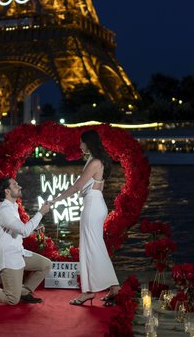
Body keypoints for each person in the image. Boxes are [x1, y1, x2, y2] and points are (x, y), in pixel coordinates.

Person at [49, 129, 120, 306]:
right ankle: (110, 288)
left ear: (88, 143)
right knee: (94, 247)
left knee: (91, 248)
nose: (80, 146)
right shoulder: (97, 160)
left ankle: (89, 291)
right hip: (95, 203)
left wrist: (56, 200)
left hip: (92, 206)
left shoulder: (94, 162)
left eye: (82, 142)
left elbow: (77, 187)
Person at [0, 177, 52, 304]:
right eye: (15, 185)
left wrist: (33, 231)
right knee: (12, 299)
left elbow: (20, 232)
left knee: (45, 265)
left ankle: (24, 292)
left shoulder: (12, 206)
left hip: (18, 252)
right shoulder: (4, 210)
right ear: (7, 191)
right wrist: (41, 212)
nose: (20, 187)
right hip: (8, 257)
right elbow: (23, 231)